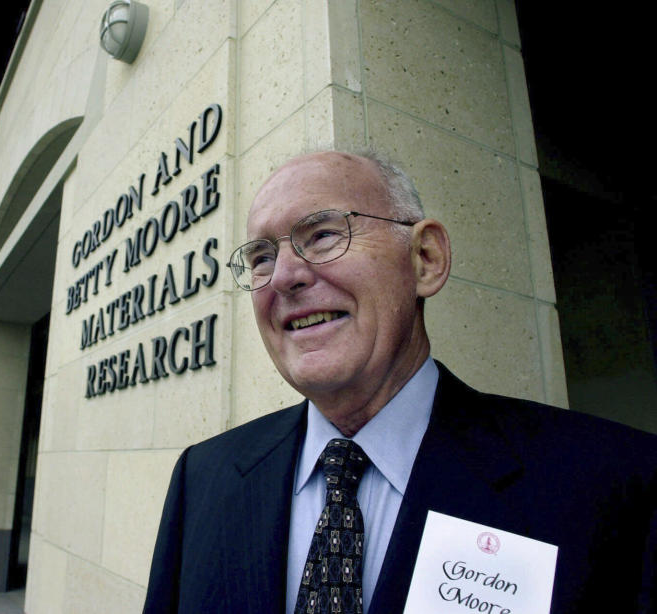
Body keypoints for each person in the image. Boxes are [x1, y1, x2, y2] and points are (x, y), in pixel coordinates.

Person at [143, 150, 656, 613]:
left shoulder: (615, 485)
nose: (283, 277)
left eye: (322, 235)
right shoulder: (201, 479)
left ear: (425, 259)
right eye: (261, 258)